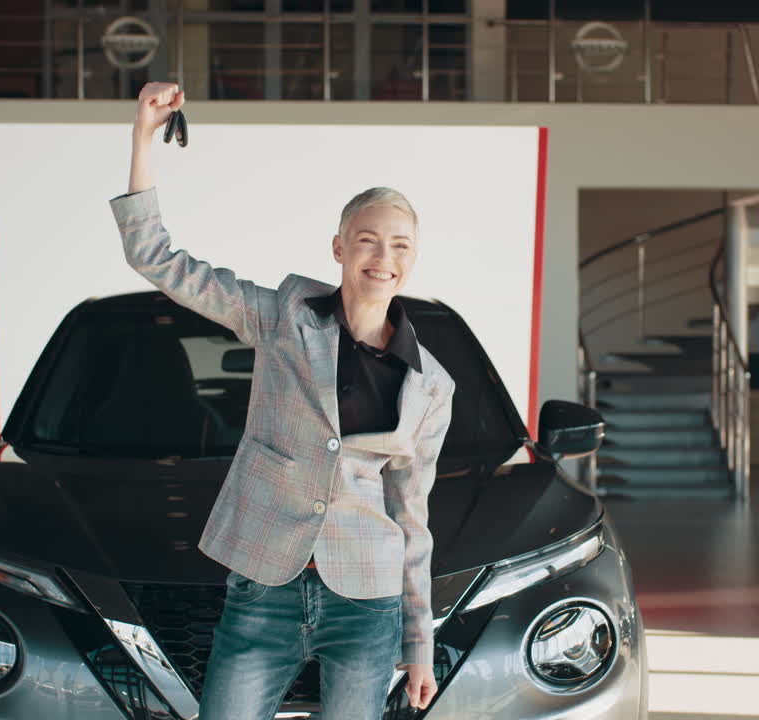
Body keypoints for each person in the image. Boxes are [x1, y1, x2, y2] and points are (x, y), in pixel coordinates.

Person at [110, 82, 454, 720]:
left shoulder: (431, 384)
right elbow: (156, 258)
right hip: (264, 584)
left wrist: (420, 647)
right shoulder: (281, 317)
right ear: (340, 248)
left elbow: (412, 518)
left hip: (367, 601)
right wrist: (143, 138)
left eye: (400, 245)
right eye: (368, 239)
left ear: (413, 258)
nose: (383, 257)